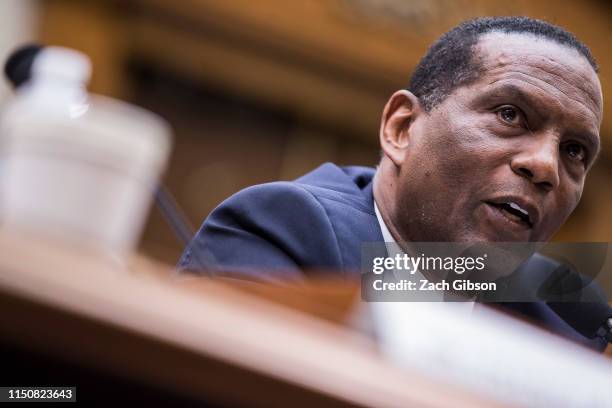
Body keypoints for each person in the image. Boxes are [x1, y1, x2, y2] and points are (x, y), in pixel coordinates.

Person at [178, 17, 608, 350]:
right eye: (510, 115)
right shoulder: (285, 232)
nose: (545, 167)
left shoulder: (568, 310)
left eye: (574, 151)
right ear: (402, 129)